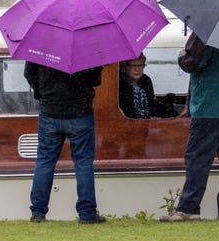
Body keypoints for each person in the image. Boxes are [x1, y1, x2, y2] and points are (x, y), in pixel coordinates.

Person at [161, 32, 219, 221]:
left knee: (198, 158)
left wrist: (181, 56)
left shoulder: (206, 31)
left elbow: (192, 63)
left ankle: (188, 208)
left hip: (210, 105)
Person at [24, 62, 106, 224]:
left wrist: (43, 94)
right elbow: (95, 80)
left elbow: (29, 74)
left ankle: (38, 212)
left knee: (45, 161)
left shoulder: (41, 44)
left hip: (50, 112)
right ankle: (87, 213)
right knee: (83, 162)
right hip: (80, 113)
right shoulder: (86, 46)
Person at [118, 53, 179, 119]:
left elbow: (151, 103)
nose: (137, 69)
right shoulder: (119, 83)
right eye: (133, 66)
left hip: (147, 121)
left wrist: (168, 107)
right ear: (125, 66)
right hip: (128, 123)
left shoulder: (146, 80)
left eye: (140, 65)